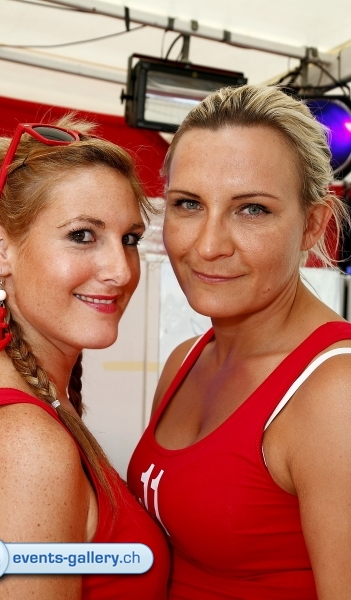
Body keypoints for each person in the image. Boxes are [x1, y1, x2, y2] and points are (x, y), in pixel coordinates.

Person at [127, 85, 351, 600]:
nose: (208, 245)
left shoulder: (335, 394)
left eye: (251, 209)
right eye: (188, 204)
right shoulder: (185, 360)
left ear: (312, 225)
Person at [0, 117, 169, 599]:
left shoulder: (32, 401)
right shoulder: (20, 444)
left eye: (130, 239)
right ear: (1, 248)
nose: (120, 271)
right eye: (82, 235)